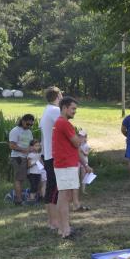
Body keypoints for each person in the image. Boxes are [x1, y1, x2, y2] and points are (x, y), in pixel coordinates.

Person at [52, 97, 87, 239]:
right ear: (64, 108)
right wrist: (80, 139)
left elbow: (74, 145)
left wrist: (84, 164)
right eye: (73, 109)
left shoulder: (59, 122)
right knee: (65, 197)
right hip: (66, 165)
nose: (74, 111)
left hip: (64, 164)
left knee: (63, 196)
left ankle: (62, 228)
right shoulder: (64, 123)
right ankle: (66, 230)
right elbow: (77, 143)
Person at [40, 86, 62, 232]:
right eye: (61, 94)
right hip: (53, 155)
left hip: (47, 154)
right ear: (58, 96)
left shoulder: (46, 110)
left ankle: (51, 221)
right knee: (54, 190)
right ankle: (55, 222)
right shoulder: (55, 110)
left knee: (50, 189)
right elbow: (65, 127)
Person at [8, 114, 34, 205]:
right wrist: (24, 150)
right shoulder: (15, 131)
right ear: (23, 121)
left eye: (31, 125)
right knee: (18, 179)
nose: (29, 126)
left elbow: (31, 144)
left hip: (27, 158)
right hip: (18, 158)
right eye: (28, 124)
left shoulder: (29, 132)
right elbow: (12, 145)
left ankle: (20, 197)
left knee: (22, 179)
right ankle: (18, 200)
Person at [71, 129, 91, 212]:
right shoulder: (77, 144)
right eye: (79, 136)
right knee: (77, 175)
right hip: (77, 162)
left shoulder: (86, 145)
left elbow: (86, 154)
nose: (80, 138)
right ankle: (77, 189)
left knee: (83, 176)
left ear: (85, 137)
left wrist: (81, 151)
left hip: (84, 162)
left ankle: (83, 189)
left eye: (82, 136)